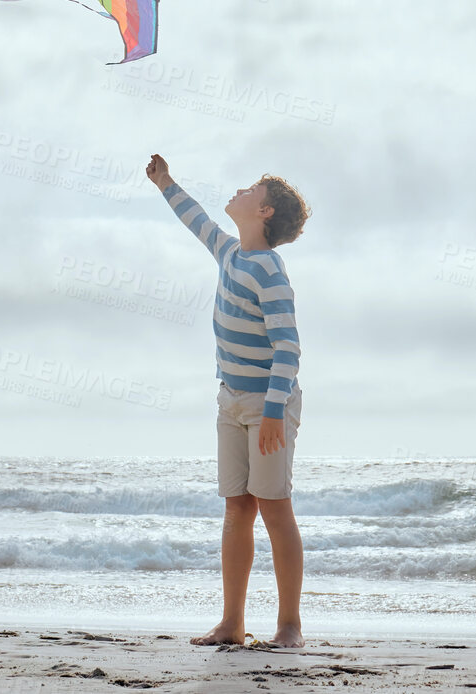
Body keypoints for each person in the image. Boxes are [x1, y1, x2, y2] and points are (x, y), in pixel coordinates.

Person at [145, 153, 311, 649]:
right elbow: (195, 219)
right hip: (230, 400)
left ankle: (289, 626)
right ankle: (232, 623)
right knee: (237, 507)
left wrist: (275, 412)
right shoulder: (229, 251)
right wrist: (165, 182)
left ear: (264, 212)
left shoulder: (268, 270)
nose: (238, 192)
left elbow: (288, 347)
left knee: (274, 507)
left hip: (268, 406)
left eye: (250, 190)